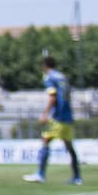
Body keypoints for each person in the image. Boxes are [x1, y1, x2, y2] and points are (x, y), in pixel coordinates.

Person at [23, 56, 82, 185]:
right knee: (70, 147)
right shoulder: (62, 77)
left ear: (44, 66)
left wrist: (45, 114)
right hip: (68, 116)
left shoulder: (50, 77)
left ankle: (40, 174)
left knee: (45, 141)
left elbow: (52, 97)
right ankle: (77, 177)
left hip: (58, 117)